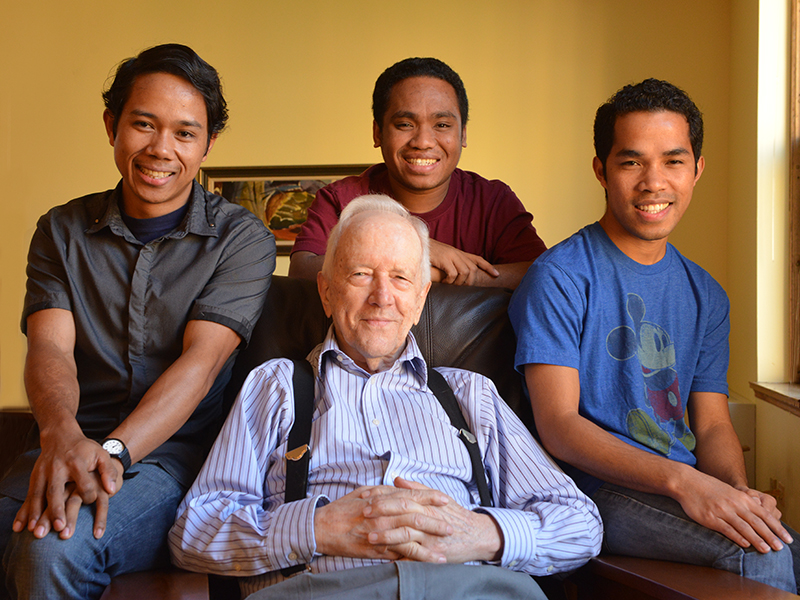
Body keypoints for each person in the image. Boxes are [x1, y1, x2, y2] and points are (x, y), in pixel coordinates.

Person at [170, 195, 601, 599]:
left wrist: (482, 533)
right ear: (325, 291)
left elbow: (581, 524)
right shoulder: (276, 385)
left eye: (400, 277)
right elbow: (193, 532)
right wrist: (315, 528)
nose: (382, 297)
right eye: (360, 274)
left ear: (419, 300)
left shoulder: (473, 394)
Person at [0, 43, 275, 600]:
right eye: (143, 124)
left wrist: (112, 454)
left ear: (208, 145)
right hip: (61, 441)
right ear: (111, 126)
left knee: (52, 545)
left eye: (185, 133)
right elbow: (48, 351)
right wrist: (63, 438)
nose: (160, 149)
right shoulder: (61, 230)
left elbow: (200, 368)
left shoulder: (242, 239)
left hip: (169, 462)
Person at [509, 78, 800, 592]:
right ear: (601, 170)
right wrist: (686, 483)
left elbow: (710, 426)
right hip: (593, 490)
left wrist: (736, 491)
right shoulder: (559, 277)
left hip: (679, 487)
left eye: (673, 160)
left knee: (783, 541)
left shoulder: (706, 294)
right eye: (631, 162)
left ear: (697, 170)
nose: (653, 182)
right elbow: (558, 427)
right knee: (759, 556)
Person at [289, 57, 547, 289]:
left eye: (442, 125)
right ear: (378, 133)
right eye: (405, 124)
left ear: (463, 134)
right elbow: (302, 270)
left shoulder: (492, 201)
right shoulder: (341, 199)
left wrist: (466, 276)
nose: (423, 141)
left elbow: (541, 274)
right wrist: (420, 248)